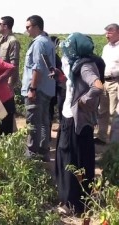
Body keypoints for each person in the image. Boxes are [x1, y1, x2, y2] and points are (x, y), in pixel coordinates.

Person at [55, 33, 103, 215]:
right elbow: (75, 85)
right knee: (71, 158)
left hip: (77, 121)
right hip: (71, 118)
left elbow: (97, 86)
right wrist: (62, 78)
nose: (66, 51)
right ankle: (73, 199)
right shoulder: (79, 64)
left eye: (69, 48)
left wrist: (83, 101)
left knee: (73, 160)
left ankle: (73, 203)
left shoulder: (85, 66)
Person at [22, 15, 56, 162]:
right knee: (43, 121)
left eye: (28, 27)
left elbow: (38, 68)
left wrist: (33, 88)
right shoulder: (47, 41)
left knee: (33, 122)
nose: (26, 30)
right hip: (46, 89)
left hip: (38, 90)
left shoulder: (38, 43)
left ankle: (32, 154)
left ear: (36, 27)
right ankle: (43, 152)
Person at [95, 23, 119, 145]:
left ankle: (114, 141)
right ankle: (101, 137)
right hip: (104, 81)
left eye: (110, 32)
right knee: (102, 110)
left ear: (118, 33)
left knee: (113, 112)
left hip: (116, 82)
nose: (106, 35)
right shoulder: (106, 48)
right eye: (106, 32)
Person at [0, 16, 20, 89]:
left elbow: (14, 65)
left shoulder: (13, 41)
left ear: (5, 26)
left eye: (0, 24)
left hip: (6, 79)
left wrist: (10, 84)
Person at [49, 36, 66, 132]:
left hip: (57, 86)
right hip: (56, 86)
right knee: (55, 107)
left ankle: (61, 126)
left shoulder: (55, 57)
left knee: (59, 107)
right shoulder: (56, 56)